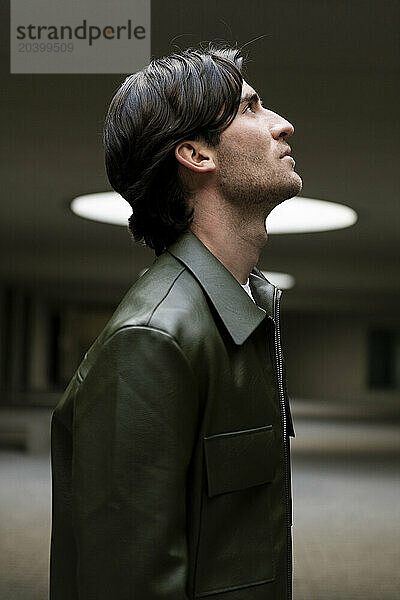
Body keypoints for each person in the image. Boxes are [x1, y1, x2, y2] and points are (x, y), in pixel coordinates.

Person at [49, 42, 302, 600]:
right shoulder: (151, 341)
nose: (282, 126)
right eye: (251, 109)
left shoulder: (247, 305)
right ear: (196, 153)